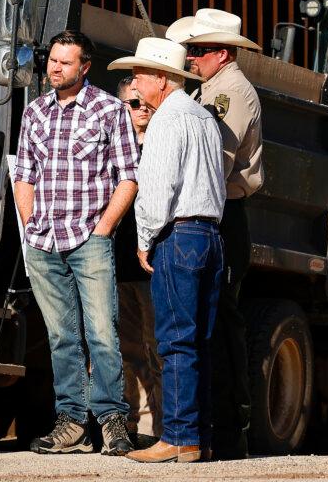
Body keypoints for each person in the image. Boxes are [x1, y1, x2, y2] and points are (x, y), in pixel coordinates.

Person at [13, 30, 139, 456]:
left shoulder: (108, 110)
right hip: (43, 241)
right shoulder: (34, 112)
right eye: (52, 60)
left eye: (65, 62)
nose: (54, 68)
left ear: (85, 67)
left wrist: (103, 229)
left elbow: (128, 176)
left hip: (89, 239)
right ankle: (71, 423)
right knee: (61, 336)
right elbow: (24, 176)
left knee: (103, 332)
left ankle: (112, 422)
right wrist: (30, 227)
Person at [106, 37, 225, 464]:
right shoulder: (203, 117)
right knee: (199, 341)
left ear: (162, 78)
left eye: (140, 75)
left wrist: (144, 239)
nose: (135, 85)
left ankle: (177, 436)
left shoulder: (166, 121)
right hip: (210, 233)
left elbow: (157, 187)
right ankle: (199, 437)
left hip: (179, 234)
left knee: (174, 340)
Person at [165, 8, 263, 460]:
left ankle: (227, 433)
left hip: (225, 212)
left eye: (197, 50)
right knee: (207, 324)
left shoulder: (231, 93)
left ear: (221, 53)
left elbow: (212, 160)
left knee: (222, 326)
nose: (190, 58)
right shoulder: (212, 88)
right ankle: (208, 429)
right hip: (216, 213)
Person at [112, 76, 162, 442]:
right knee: (124, 348)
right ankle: (129, 422)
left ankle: (161, 427)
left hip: (151, 264)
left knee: (156, 346)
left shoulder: (161, 144)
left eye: (146, 103)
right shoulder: (112, 146)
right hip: (117, 261)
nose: (141, 109)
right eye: (133, 103)